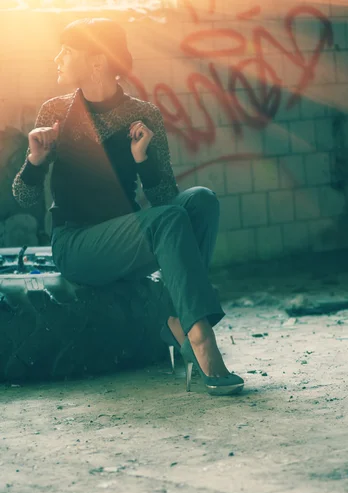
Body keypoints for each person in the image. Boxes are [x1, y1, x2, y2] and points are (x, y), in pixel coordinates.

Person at [12, 17, 244, 396]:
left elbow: (169, 202)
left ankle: (176, 318)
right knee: (168, 220)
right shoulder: (55, 112)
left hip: (128, 237)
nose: (57, 58)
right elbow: (24, 197)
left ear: (96, 61)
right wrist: (36, 162)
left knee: (201, 201)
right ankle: (200, 338)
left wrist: (143, 160)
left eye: (66, 52)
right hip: (77, 245)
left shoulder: (144, 115)